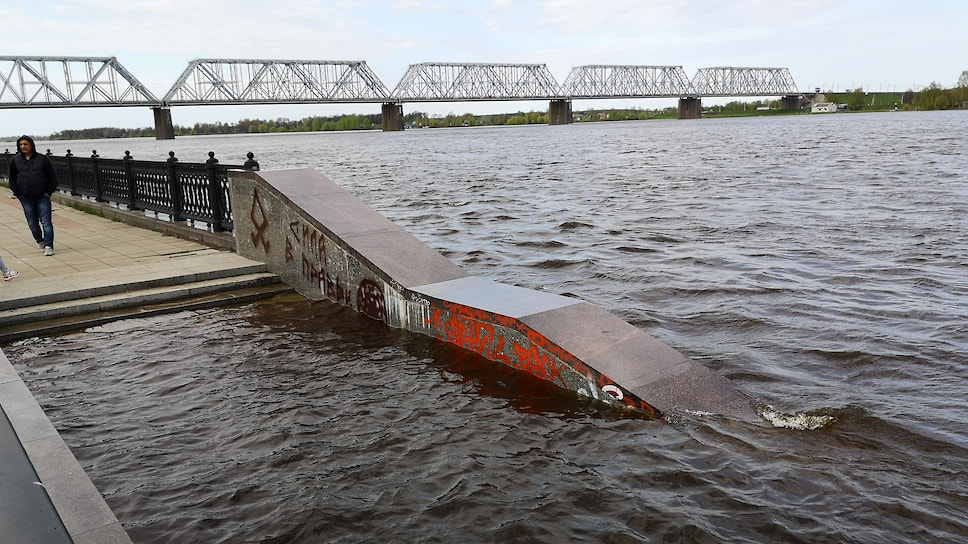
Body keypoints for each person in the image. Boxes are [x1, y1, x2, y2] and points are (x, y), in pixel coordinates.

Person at [9, 135, 58, 256]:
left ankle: (48, 246)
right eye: (21, 145)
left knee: (46, 222)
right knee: (32, 224)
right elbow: (12, 178)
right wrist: (17, 193)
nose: (23, 147)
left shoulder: (43, 159)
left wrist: (48, 192)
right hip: (25, 198)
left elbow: (53, 177)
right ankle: (40, 241)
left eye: (25, 144)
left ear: (31, 145)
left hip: (42, 197)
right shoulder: (15, 160)